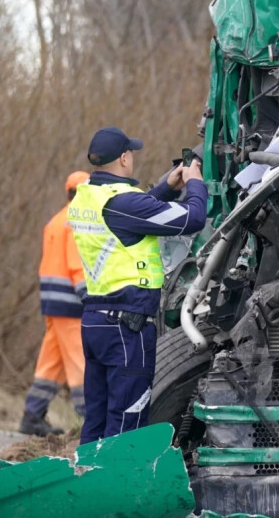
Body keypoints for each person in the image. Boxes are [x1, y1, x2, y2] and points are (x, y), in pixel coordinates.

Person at [69, 127, 207, 444]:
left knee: (97, 418)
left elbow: (131, 215)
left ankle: (89, 484)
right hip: (126, 329)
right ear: (124, 158)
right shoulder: (122, 205)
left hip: (96, 323)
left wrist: (166, 189)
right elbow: (193, 218)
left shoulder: (87, 196)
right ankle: (116, 491)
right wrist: (195, 183)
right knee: (126, 421)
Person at [20, 171, 91, 436]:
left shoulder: (56, 219)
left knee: (53, 362)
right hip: (70, 302)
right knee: (80, 361)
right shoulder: (77, 219)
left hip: (52, 300)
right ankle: (90, 418)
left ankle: (32, 414)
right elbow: (76, 265)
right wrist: (89, 297)